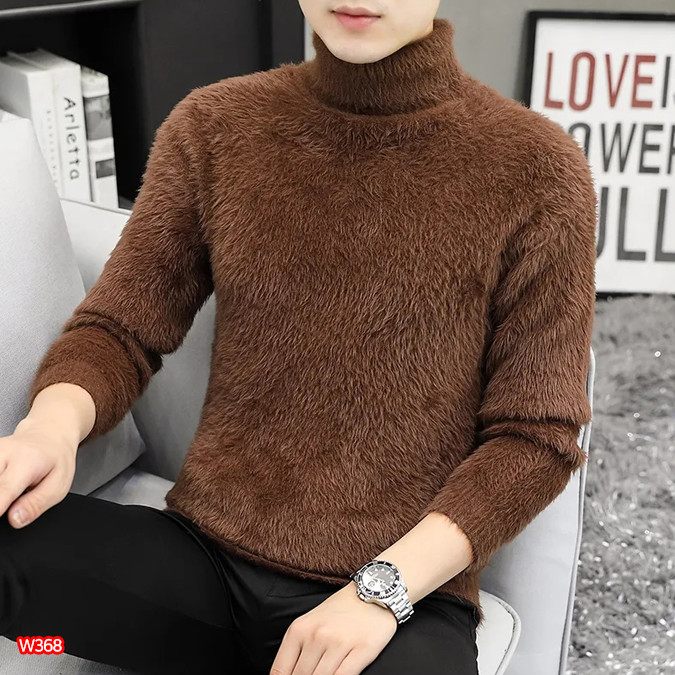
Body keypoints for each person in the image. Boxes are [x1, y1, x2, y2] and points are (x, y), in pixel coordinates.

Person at [0, 1, 598, 674]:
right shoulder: (215, 126)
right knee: (20, 588)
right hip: (200, 565)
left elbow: (535, 437)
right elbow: (121, 328)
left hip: (399, 602)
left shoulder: (539, 170)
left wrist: (381, 592)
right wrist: (49, 429)